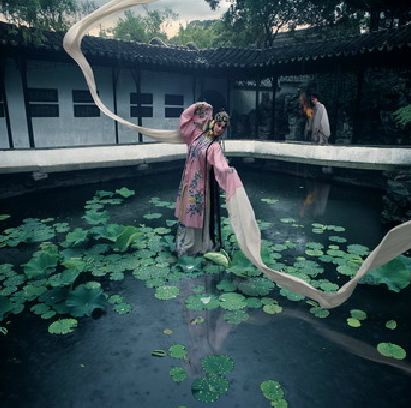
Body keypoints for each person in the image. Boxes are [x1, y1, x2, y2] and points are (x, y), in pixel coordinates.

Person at [175, 102, 242, 256]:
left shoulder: (214, 146)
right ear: (213, 122)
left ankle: (196, 247)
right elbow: (184, 120)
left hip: (200, 187)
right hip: (187, 183)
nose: (220, 129)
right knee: (186, 214)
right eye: (218, 125)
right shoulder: (196, 134)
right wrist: (199, 106)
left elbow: (220, 165)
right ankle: (183, 245)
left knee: (195, 215)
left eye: (223, 128)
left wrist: (228, 171)